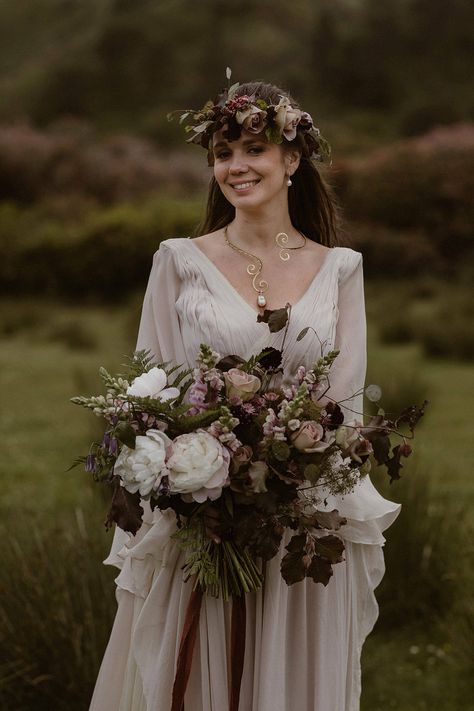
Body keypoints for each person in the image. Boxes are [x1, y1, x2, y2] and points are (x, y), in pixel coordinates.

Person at [89, 78, 401, 711]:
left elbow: (345, 405)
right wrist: (189, 470)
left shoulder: (342, 268)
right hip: (204, 519)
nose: (235, 167)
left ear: (292, 159)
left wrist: (296, 467)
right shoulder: (177, 260)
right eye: (222, 153)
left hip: (305, 517)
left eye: (252, 149)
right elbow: (156, 386)